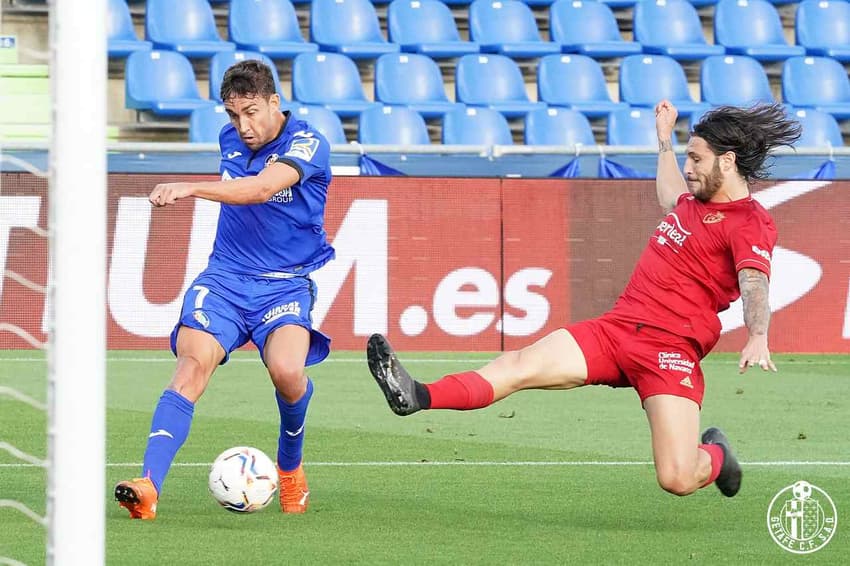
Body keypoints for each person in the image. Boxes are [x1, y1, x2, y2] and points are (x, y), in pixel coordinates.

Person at [366, 100, 801, 498]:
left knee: (677, 478)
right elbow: (669, 194)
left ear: (728, 161)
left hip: (669, 352)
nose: (688, 167)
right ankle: (418, 395)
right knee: (518, 366)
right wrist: (665, 140)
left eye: (696, 159)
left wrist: (757, 334)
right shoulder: (691, 202)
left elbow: (754, 283)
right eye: (687, 157)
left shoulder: (749, 223)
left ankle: (718, 456)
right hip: (615, 331)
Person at [114, 60, 334, 518]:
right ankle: (149, 485)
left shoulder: (309, 143)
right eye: (234, 115)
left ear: (275, 102)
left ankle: (290, 469)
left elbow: (260, 189)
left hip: (284, 284)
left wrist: (189, 188)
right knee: (191, 368)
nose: (243, 126)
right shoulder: (229, 138)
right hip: (226, 280)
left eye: (252, 112)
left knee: (288, 374)